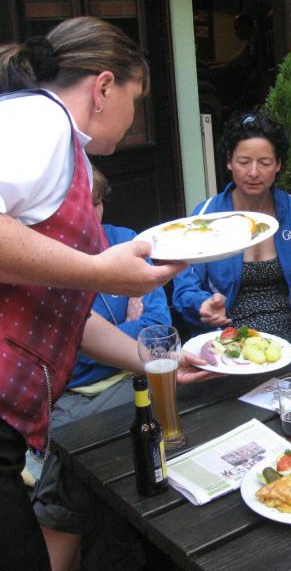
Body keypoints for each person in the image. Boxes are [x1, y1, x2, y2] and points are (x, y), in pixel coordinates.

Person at [0, 17, 212, 571]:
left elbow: (66, 314)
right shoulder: (42, 121)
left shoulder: (57, 142)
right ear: (103, 87)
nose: (134, 115)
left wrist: (160, 361)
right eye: (136, 99)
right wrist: (100, 271)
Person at [25, 167, 172, 570]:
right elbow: (66, 354)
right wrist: (125, 332)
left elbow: (159, 331)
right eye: (78, 205)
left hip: (133, 381)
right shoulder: (44, 259)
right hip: (69, 395)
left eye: (97, 202)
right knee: (95, 454)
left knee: (116, 451)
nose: (90, 215)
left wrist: (106, 339)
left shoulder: (126, 242)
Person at [172, 111, 291, 342]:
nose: (254, 173)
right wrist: (203, 304)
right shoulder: (204, 218)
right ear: (229, 161)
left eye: (265, 163)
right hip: (229, 336)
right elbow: (185, 289)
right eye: (244, 162)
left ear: (278, 164)